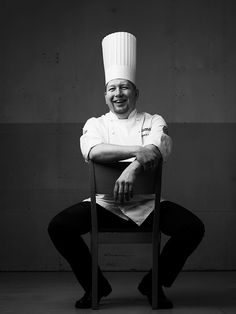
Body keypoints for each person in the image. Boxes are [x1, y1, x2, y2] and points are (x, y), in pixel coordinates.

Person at [48, 32, 205, 309]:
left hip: (148, 206)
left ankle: (152, 283)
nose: (118, 94)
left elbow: (158, 148)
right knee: (59, 227)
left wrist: (132, 169)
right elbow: (93, 150)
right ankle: (95, 286)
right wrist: (137, 151)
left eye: (125, 87)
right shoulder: (95, 123)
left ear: (136, 92)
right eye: (112, 89)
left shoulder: (154, 120)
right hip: (104, 205)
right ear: (106, 95)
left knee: (192, 228)